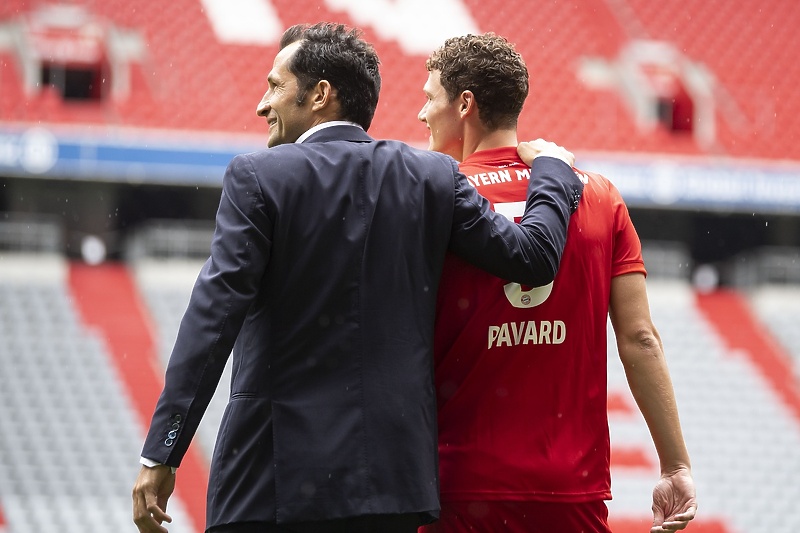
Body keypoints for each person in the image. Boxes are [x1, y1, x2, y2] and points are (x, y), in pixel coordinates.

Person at [131, 23, 584, 533]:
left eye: (275, 86)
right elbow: (533, 257)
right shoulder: (431, 176)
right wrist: (552, 172)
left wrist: (162, 454)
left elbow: (212, 322)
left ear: (320, 95)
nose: (262, 104)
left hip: (272, 481)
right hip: (390, 486)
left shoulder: (257, 178)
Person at [416, 34, 697, 533]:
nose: (422, 114)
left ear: (465, 105)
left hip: (457, 483)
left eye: (429, 97)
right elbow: (640, 338)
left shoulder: (433, 200)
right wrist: (675, 466)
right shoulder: (600, 196)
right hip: (570, 489)